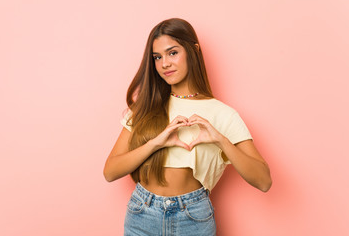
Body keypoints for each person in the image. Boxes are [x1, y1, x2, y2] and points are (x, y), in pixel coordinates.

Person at [103, 18, 272, 236]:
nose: (164, 63)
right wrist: (156, 143)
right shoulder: (145, 108)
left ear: (193, 51)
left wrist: (221, 140)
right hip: (142, 213)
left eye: (172, 52)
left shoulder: (222, 114)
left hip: (193, 218)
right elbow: (110, 171)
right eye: (157, 57)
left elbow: (264, 181)